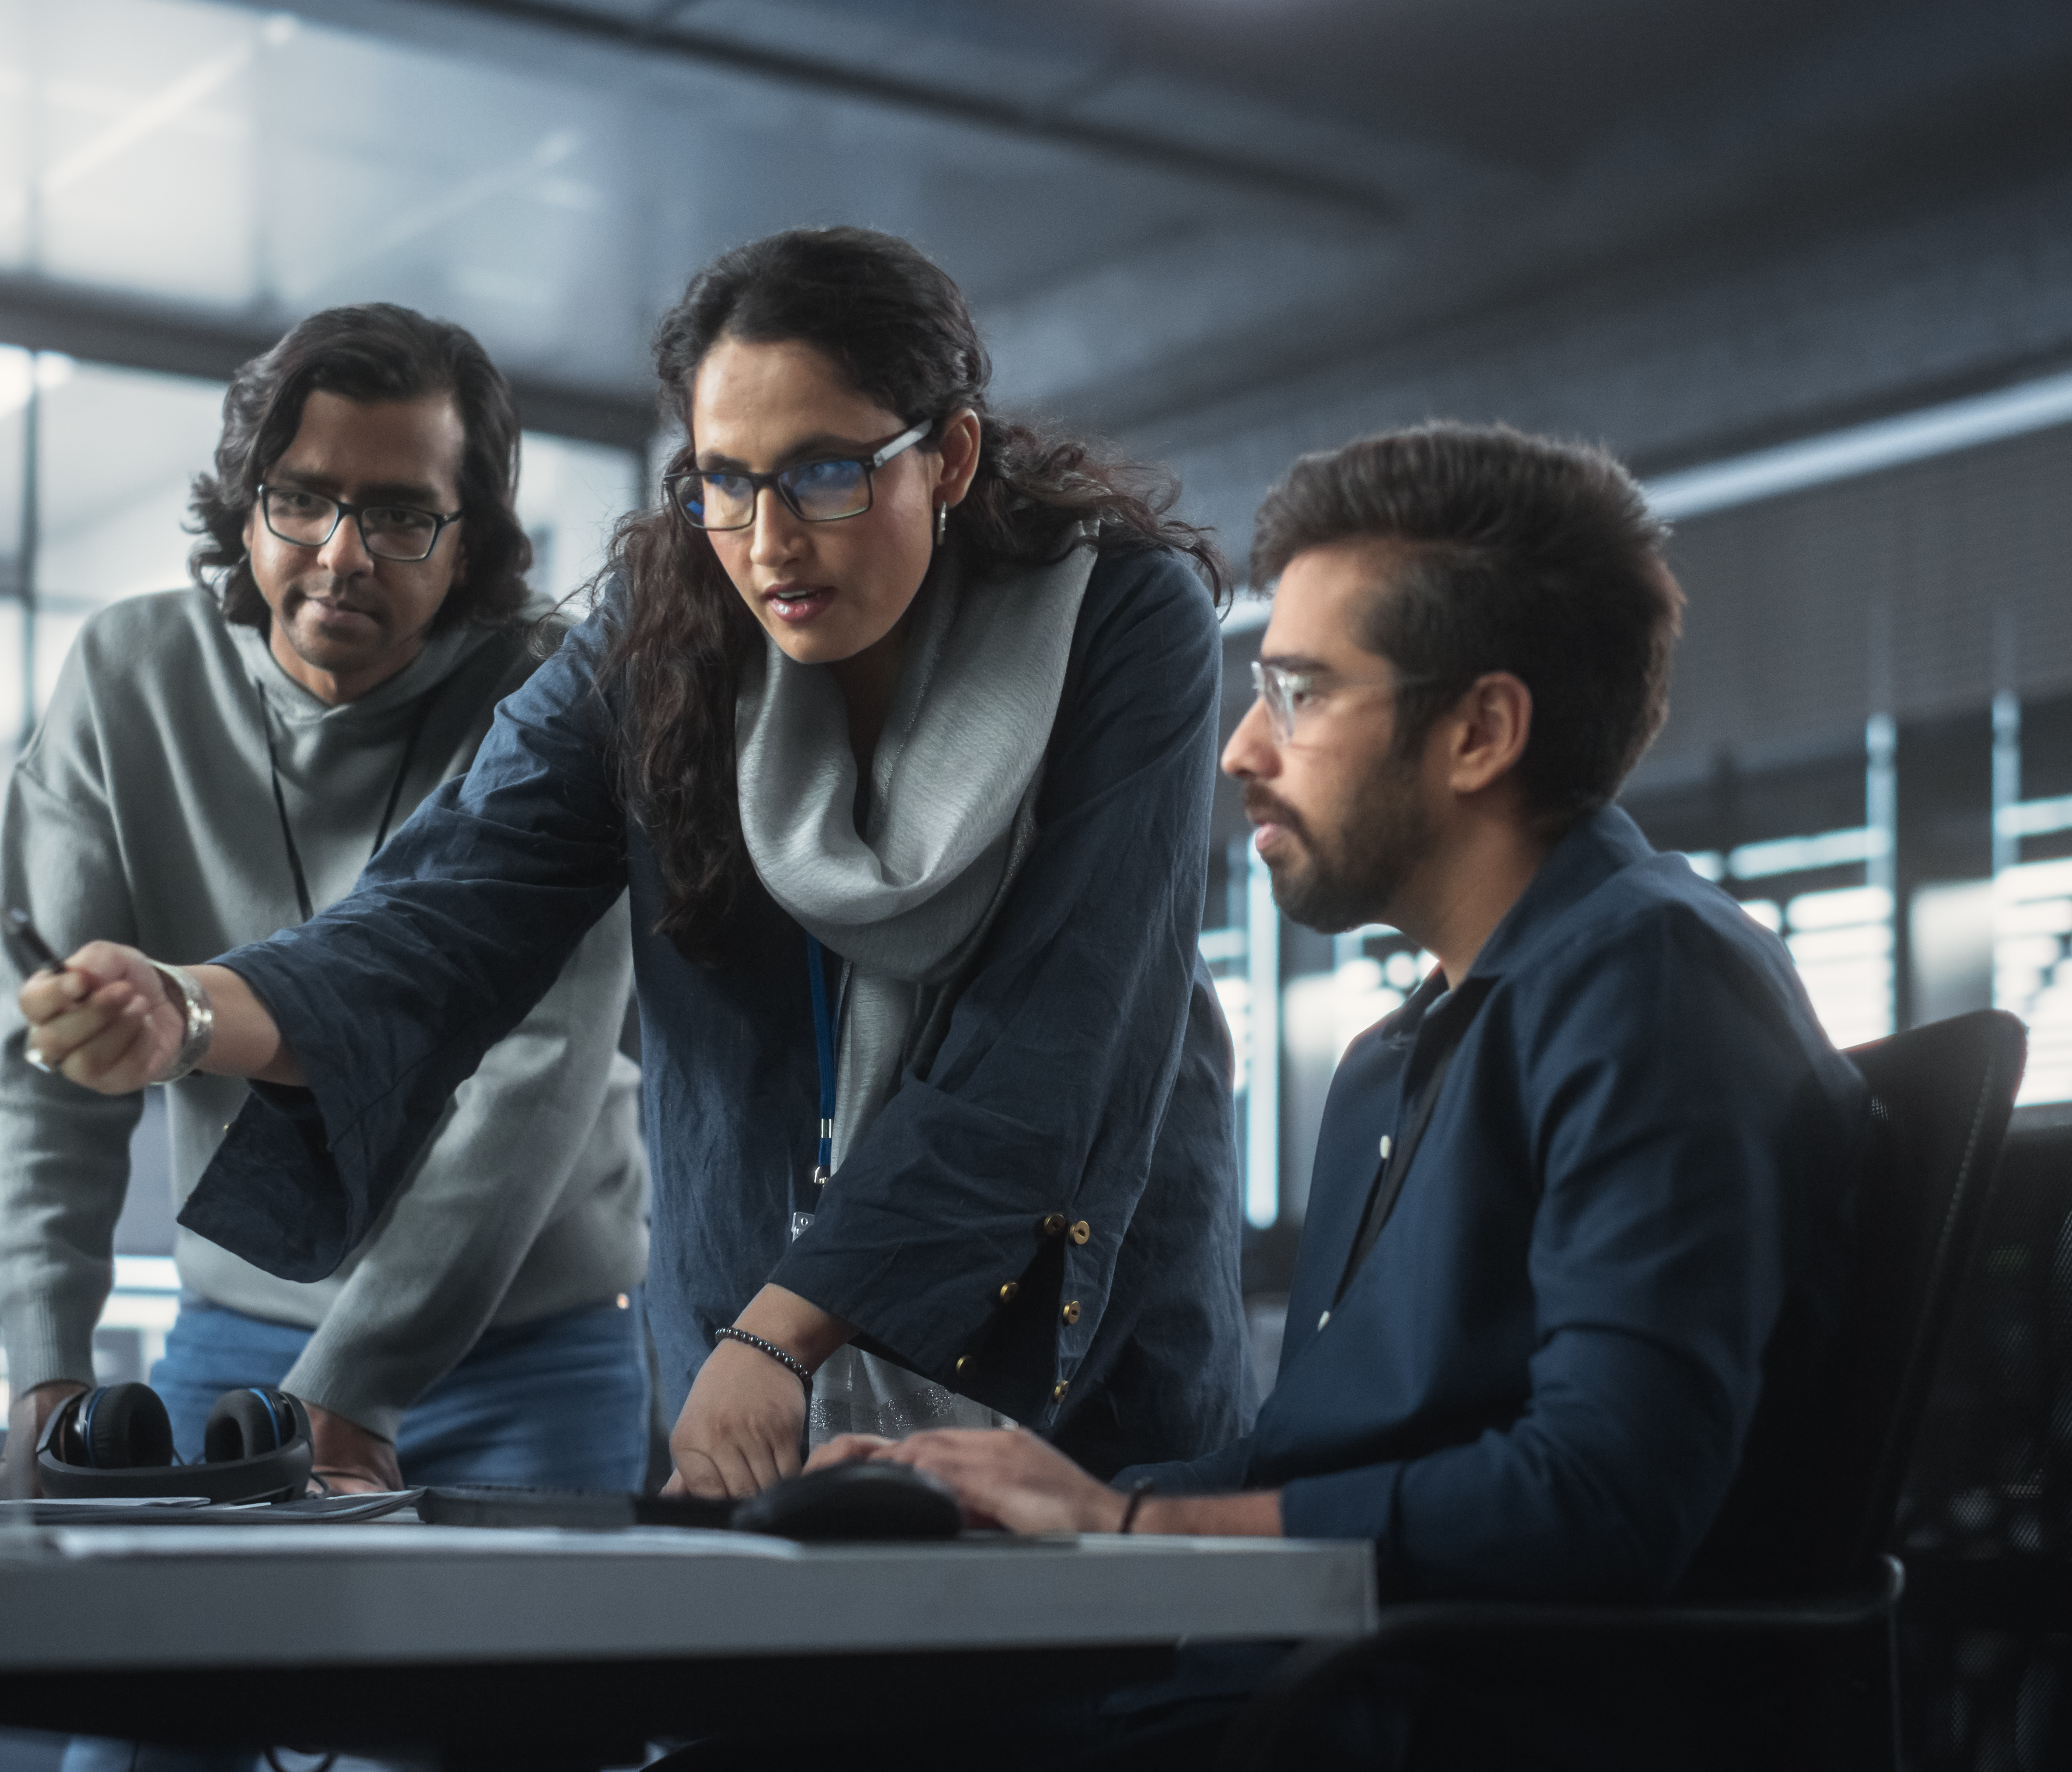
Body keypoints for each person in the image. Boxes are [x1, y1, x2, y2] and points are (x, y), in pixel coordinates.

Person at [16, 227, 1251, 1498]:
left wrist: (786, 1328)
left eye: (826, 475)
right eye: (724, 480)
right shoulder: (662, 632)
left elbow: (1053, 1038)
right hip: (747, 1350)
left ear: (950, 456)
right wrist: (188, 1009)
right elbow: (447, 905)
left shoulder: (1116, 619)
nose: (769, 542)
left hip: (1055, 1353)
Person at [790, 421, 1869, 1765]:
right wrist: (1031, 1496)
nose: (1243, 749)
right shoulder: (1398, 1056)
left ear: (1480, 730)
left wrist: (1132, 1528)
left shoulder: (1652, 981)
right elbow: (1320, 1463)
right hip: (1317, 1691)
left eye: (1299, 695)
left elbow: (1601, 1501)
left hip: (1439, 1722)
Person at [0, 303, 649, 1498]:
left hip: (530, 1350)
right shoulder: (130, 677)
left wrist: (356, 1389)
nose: (341, 555)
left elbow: (534, 1075)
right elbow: (51, 1058)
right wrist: (47, 1383)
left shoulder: (555, 696)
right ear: (247, 508)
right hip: (239, 1336)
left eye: (399, 516)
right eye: (301, 499)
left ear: (469, 541)